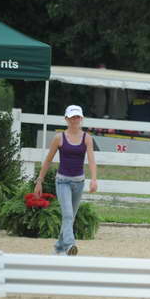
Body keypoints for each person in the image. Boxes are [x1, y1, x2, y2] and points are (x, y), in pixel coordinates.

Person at [35, 105, 98, 256]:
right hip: (62, 181)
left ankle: (59, 247)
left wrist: (94, 179)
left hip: (79, 182)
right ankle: (70, 245)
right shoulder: (59, 138)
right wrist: (39, 181)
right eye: (72, 117)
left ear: (81, 119)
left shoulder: (87, 138)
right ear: (66, 119)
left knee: (70, 217)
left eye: (77, 117)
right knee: (68, 215)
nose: (74, 120)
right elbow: (48, 160)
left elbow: (91, 160)